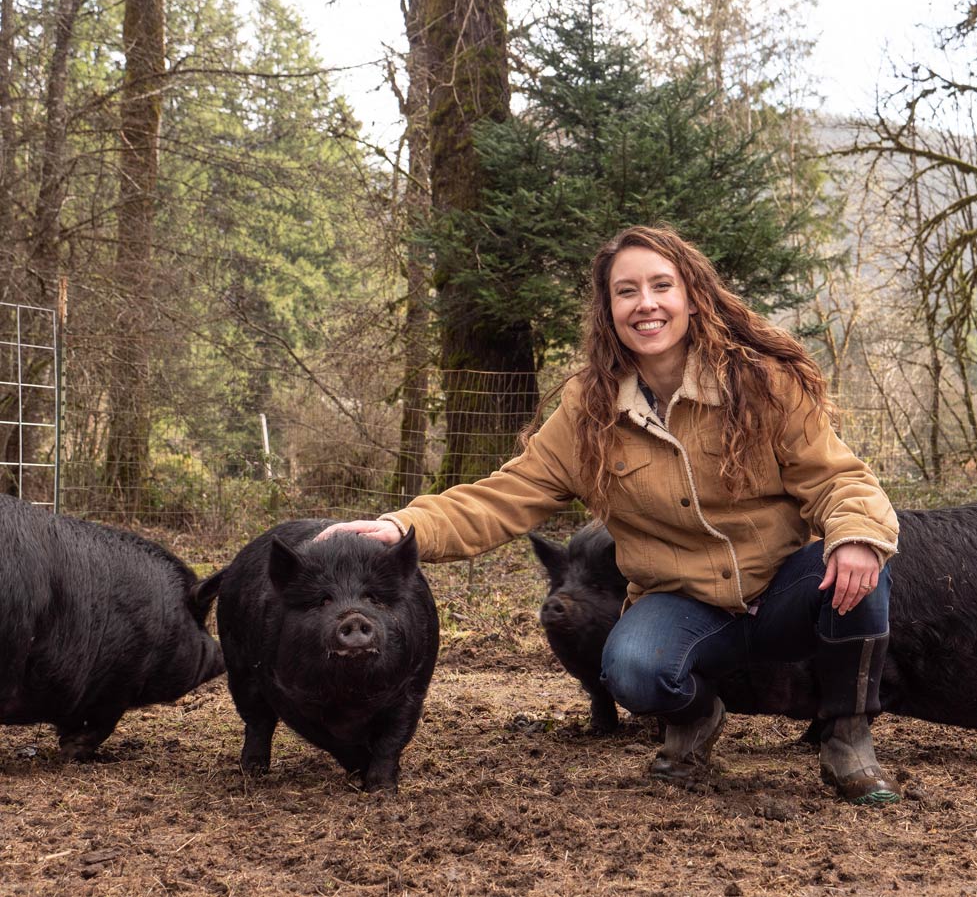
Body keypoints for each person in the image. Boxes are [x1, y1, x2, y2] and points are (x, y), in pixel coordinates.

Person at [318, 224, 901, 805]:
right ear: (608, 310)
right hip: (684, 601)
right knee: (632, 671)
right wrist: (403, 526)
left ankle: (847, 735)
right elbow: (506, 494)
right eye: (626, 291)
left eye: (660, 286)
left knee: (863, 562)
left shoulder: (762, 384)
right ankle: (696, 717)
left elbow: (838, 478)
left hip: (779, 589)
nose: (645, 304)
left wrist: (854, 534)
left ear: (692, 297)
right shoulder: (590, 410)